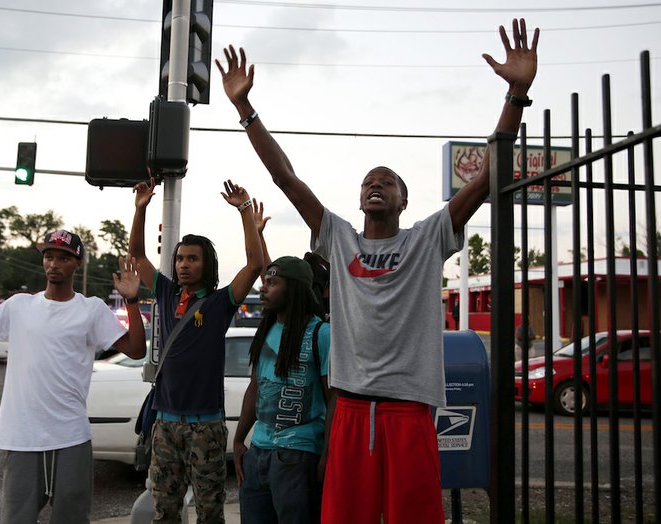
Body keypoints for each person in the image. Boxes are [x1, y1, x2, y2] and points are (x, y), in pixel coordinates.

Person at [217, 18, 539, 523]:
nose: (377, 184)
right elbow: (285, 177)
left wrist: (516, 96)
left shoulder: (428, 238)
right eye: (370, 180)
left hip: (408, 411)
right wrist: (245, 109)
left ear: (404, 200)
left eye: (388, 181)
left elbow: (484, 179)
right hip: (348, 410)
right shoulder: (339, 236)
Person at [0, 230, 147, 524]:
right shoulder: (20, 305)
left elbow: (136, 350)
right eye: (48, 256)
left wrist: (132, 301)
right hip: (22, 436)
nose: (54, 264)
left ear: (78, 264)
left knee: (71, 519)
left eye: (63, 258)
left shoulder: (91, 310)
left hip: (70, 436)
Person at [129, 178, 263, 523]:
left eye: (192, 259)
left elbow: (255, 265)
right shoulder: (165, 292)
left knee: (209, 512)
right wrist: (140, 208)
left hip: (206, 426)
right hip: (165, 425)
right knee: (165, 511)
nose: (184, 264)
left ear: (207, 265)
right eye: (179, 259)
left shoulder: (220, 303)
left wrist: (245, 211)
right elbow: (138, 256)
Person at [233, 256, 331, 524]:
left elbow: (334, 401)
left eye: (273, 283)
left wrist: (327, 457)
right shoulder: (265, 329)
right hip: (259, 452)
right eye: (265, 282)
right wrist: (239, 440)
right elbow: (255, 387)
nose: (263, 288)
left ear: (295, 289)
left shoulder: (321, 334)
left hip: (298, 455)